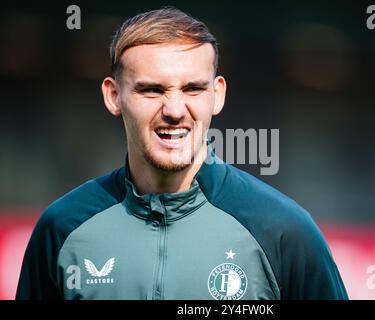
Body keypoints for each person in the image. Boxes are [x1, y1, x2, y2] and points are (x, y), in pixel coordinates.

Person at [16, 7, 348, 300]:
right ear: (114, 96)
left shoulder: (284, 231)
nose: (174, 110)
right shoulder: (62, 229)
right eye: (152, 90)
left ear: (217, 95)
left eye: (193, 88)